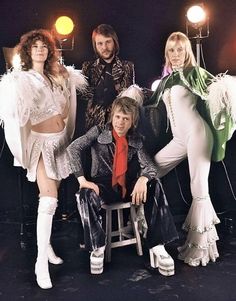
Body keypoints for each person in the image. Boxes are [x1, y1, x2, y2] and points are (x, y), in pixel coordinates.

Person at [0, 29, 87, 289]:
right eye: (34, 46)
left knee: (53, 197)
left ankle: (46, 246)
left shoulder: (55, 76)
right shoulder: (21, 79)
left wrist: (63, 81)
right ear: (27, 51)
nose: (39, 50)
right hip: (40, 145)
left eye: (43, 46)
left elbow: (67, 105)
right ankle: (40, 262)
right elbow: (16, 115)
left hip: (60, 142)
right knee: (48, 200)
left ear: (49, 50)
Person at [146, 31, 236, 267]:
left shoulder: (194, 73)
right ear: (167, 53)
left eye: (180, 49)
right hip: (179, 139)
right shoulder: (166, 80)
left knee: (198, 187)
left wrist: (226, 90)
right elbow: (151, 100)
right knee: (151, 170)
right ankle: (147, 227)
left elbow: (218, 88)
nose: (175, 54)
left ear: (187, 51)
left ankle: (201, 249)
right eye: (171, 50)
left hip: (198, 134)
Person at [67, 96, 179, 276]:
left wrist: (143, 179)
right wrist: (82, 180)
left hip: (126, 186)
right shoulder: (98, 132)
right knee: (84, 194)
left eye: (125, 119)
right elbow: (73, 149)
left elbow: (149, 166)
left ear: (132, 121)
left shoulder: (136, 140)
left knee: (154, 183)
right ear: (112, 116)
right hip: (102, 185)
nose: (120, 123)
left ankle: (158, 245)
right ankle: (97, 247)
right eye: (118, 117)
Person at [82, 23, 135, 130]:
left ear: (114, 42)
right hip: (93, 126)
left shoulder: (127, 66)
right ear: (95, 46)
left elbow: (126, 100)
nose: (104, 47)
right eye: (100, 44)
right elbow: (83, 97)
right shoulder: (88, 67)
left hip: (118, 125)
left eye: (108, 42)